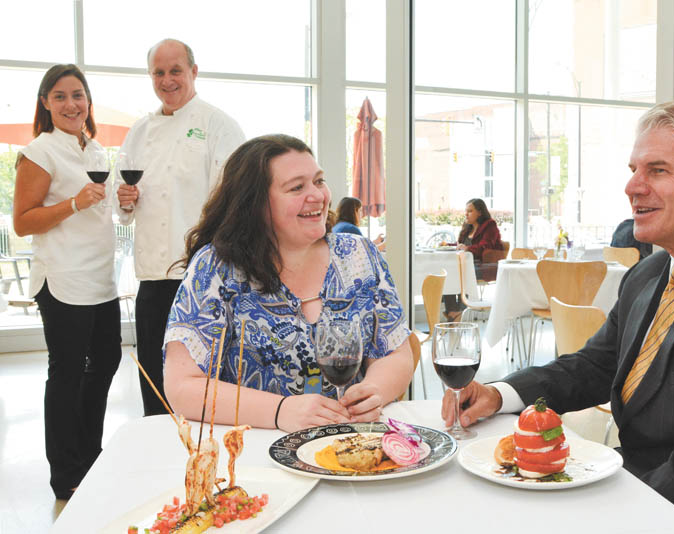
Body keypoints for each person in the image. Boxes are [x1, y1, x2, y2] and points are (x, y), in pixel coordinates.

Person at [441, 99, 674, 532]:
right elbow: (595, 365)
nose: (633, 186)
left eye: (657, 170)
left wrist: (613, 516)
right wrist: (501, 395)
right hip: (639, 491)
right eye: (633, 169)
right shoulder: (649, 273)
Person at [163, 135, 414, 433]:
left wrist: (374, 391)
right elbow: (182, 387)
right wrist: (280, 411)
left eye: (319, 181)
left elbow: (395, 352)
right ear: (255, 204)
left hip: (351, 445)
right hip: (255, 455)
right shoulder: (216, 267)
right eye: (297, 187)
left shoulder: (360, 254)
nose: (318, 196)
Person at [116, 38, 245, 416]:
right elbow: (122, 203)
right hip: (153, 277)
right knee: (154, 382)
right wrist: (125, 199)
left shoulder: (218, 124)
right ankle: (158, 460)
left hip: (203, 275)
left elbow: (233, 201)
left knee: (203, 383)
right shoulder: (139, 130)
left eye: (176, 71)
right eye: (159, 72)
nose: (167, 80)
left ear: (193, 71)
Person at [13, 64, 121, 500]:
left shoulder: (94, 151)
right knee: (68, 375)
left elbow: (106, 210)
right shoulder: (40, 152)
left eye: (78, 95)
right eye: (60, 96)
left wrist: (124, 200)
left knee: (107, 362)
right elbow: (21, 222)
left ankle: (89, 456)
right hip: (62, 279)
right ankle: (66, 473)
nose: (71, 104)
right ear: (45, 103)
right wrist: (74, 203)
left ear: (88, 101)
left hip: (101, 279)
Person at [443, 198, 504, 321]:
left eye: (470, 211)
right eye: (466, 211)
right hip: (469, 265)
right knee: (447, 273)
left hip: (485, 265)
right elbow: (461, 246)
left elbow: (485, 246)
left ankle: (458, 312)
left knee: (461, 273)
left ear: (480, 212)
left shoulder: (489, 226)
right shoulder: (468, 228)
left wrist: (468, 248)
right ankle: (454, 311)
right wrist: (447, 246)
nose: (466, 214)